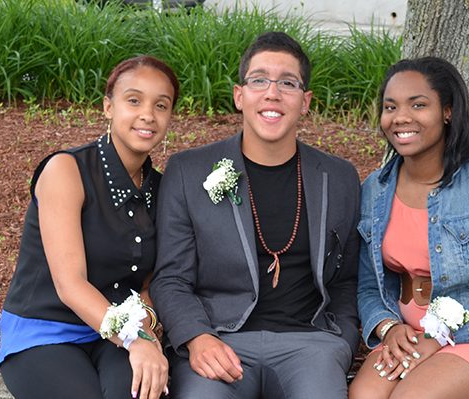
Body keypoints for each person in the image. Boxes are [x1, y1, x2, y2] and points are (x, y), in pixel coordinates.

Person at [150, 31, 360, 399]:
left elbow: (347, 278)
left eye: (288, 83)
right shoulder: (188, 171)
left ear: (306, 101)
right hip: (218, 340)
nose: (272, 93)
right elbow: (171, 278)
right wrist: (197, 337)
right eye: (259, 80)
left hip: (311, 344)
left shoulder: (338, 177)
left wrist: (342, 339)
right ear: (239, 95)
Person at [349, 57, 469, 399]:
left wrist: (439, 335)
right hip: (407, 334)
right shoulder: (374, 191)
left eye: (418, 105)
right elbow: (368, 287)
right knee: (364, 396)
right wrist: (388, 326)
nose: (401, 117)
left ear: (447, 112)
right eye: (390, 106)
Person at [0, 55, 180, 399]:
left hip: (116, 335)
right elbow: (70, 284)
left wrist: (147, 327)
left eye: (162, 105)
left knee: (144, 391)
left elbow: (150, 283)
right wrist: (135, 339)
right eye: (134, 100)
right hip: (46, 330)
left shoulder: (162, 188)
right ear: (108, 107)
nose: (148, 115)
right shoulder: (66, 170)